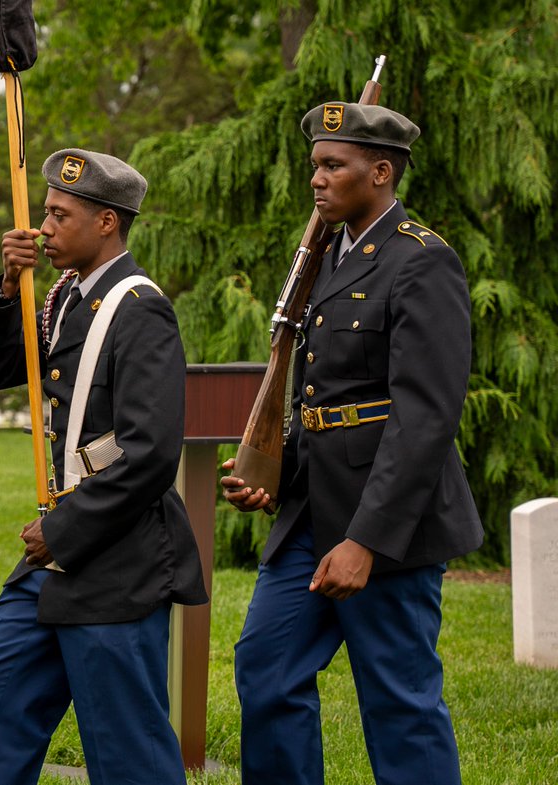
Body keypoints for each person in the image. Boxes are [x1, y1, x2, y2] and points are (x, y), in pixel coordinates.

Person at [221, 103, 484, 785]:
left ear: (381, 171)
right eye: (316, 165)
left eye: (333, 165)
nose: (318, 179)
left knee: (399, 701)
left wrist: (367, 539)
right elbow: (327, 399)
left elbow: (425, 415)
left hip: (387, 521)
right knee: (267, 671)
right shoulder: (328, 258)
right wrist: (274, 476)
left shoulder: (423, 261)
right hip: (311, 512)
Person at [0, 148, 207, 785]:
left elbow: (149, 451)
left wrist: (61, 530)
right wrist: (7, 290)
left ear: (107, 222)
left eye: (59, 215)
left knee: (125, 747)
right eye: (45, 213)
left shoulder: (138, 308)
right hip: (54, 561)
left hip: (116, 557)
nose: (42, 228)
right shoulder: (64, 298)